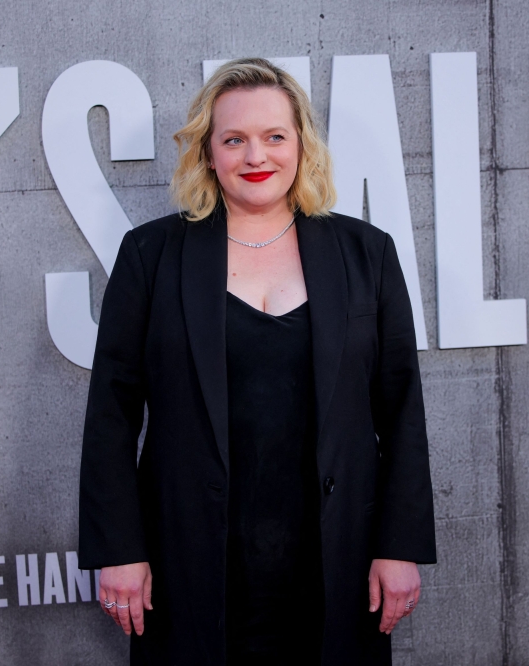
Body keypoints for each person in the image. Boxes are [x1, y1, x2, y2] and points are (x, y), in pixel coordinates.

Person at [78, 57, 436, 666]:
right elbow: (111, 413)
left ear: (302, 144)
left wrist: (399, 546)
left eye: (274, 136)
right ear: (208, 152)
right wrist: (119, 549)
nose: (255, 156)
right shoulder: (151, 255)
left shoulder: (366, 254)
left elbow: (401, 409)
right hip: (189, 561)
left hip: (337, 559)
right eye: (234, 139)